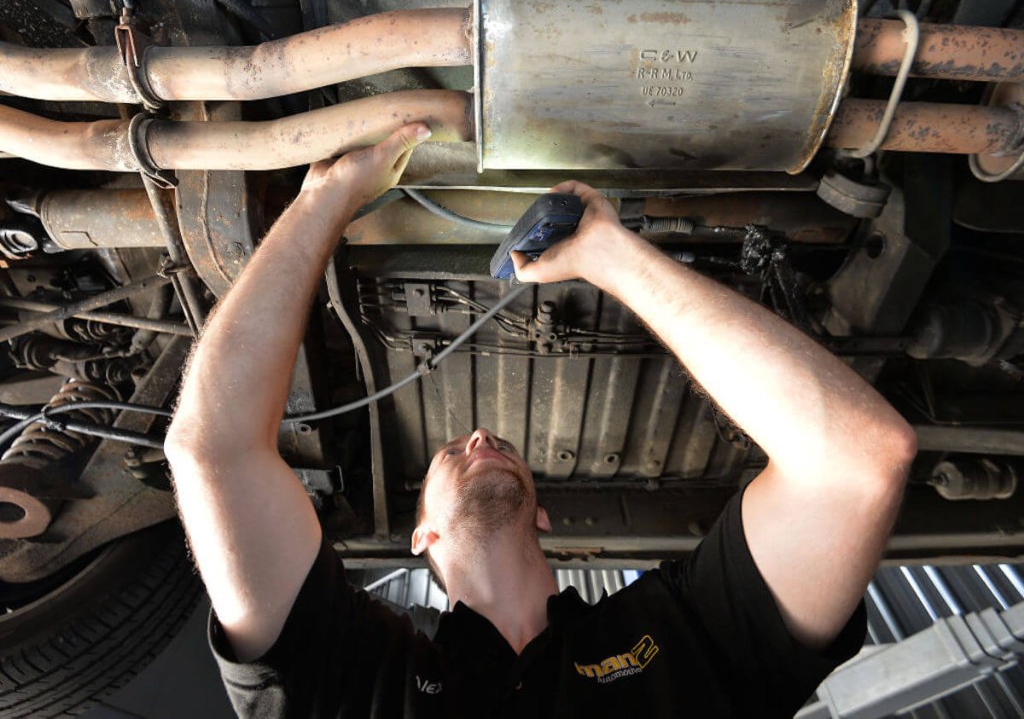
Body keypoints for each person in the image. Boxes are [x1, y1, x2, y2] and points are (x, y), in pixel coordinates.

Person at [165, 122, 917, 718]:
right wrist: (319, 201)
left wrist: (612, 255)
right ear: (420, 535)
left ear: (544, 515)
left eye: (474, 442)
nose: (483, 439)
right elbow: (210, 452)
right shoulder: (357, 661)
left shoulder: (363, 678)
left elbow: (857, 460)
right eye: (459, 448)